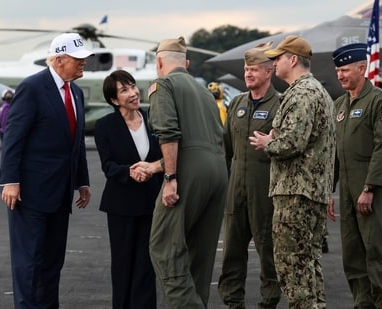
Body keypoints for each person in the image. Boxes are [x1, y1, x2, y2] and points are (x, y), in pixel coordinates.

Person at [0, 32, 93, 309]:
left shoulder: (75, 92)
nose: (83, 63)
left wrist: (82, 182)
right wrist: (10, 181)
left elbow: (77, 142)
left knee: (53, 262)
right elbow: (14, 138)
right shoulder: (32, 87)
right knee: (29, 262)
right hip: (30, 193)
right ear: (60, 59)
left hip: (60, 193)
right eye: (79, 59)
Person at [249, 35, 335, 308]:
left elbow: (292, 142)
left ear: (293, 59)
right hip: (313, 191)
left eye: (277, 58)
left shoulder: (300, 93)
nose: (273, 63)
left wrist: (268, 142)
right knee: (308, 264)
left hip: (295, 192)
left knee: (291, 266)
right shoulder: (319, 91)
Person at [147, 36, 228, 308]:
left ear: (159, 62)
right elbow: (206, 140)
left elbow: (169, 134)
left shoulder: (163, 85)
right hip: (218, 172)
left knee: (164, 246)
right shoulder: (205, 93)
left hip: (188, 172)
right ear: (187, 63)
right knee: (200, 254)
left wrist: (169, 178)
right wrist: (158, 166)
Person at [328, 43, 382, 308]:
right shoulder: (339, 105)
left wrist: (369, 187)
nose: (340, 75)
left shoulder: (380, 102)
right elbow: (335, 151)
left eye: (345, 70)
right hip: (346, 192)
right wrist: (329, 191)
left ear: (362, 68)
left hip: (370, 191)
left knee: (377, 258)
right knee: (354, 259)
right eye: (338, 70)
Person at [217, 41, 282, 308]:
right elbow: (226, 149)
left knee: (268, 253)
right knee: (232, 252)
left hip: (265, 190)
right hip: (237, 189)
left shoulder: (281, 104)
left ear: (269, 72)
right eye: (246, 69)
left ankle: (268, 303)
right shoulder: (237, 104)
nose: (248, 73)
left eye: (254, 69)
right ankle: (233, 303)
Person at [95, 69, 162, 309]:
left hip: (151, 202)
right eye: (124, 90)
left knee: (147, 263)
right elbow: (108, 166)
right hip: (121, 205)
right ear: (114, 100)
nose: (133, 93)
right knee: (123, 262)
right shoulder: (105, 126)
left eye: (133, 86)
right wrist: (129, 171)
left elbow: (166, 155)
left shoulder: (153, 118)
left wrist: (153, 168)